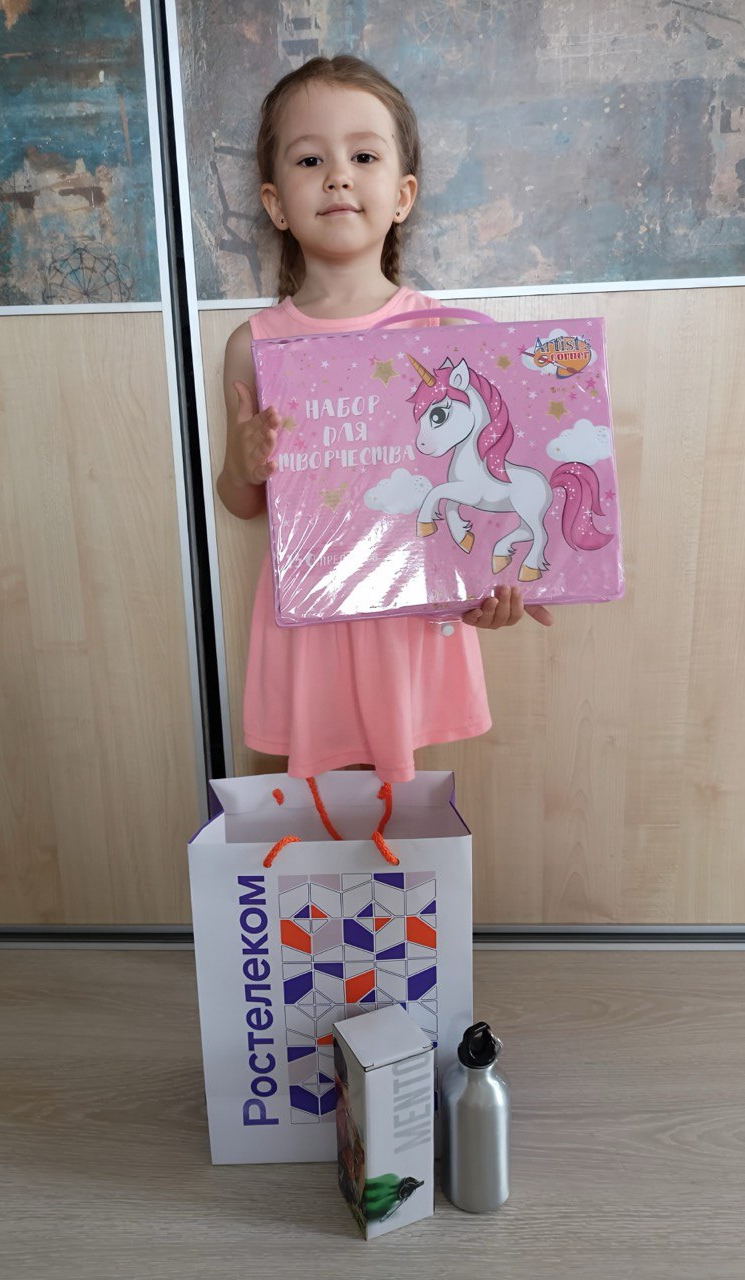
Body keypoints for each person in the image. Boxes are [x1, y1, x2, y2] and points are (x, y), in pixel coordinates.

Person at [217, 55, 552, 783]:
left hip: (409, 618)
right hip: (308, 623)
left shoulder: (450, 337)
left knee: (395, 810)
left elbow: (482, 490)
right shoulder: (254, 345)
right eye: (310, 159)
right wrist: (241, 464)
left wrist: (503, 583)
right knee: (312, 808)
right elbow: (243, 502)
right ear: (276, 204)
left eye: (363, 156)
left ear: (402, 195)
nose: (338, 176)